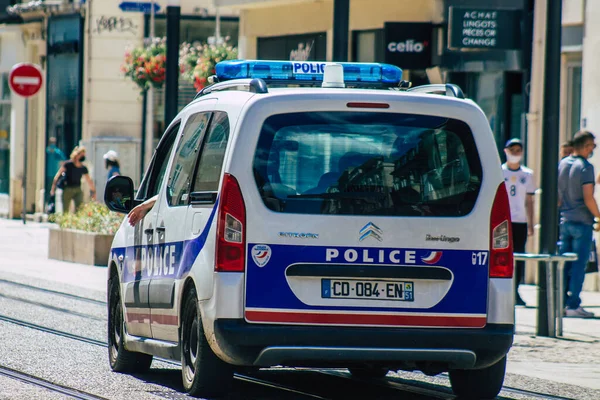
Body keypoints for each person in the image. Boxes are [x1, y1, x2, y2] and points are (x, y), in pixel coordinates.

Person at [558, 130, 598, 318]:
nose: (593, 149)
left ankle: (559, 302)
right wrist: (598, 216)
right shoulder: (586, 167)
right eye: (592, 146)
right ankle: (573, 304)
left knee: (563, 264)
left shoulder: (563, 164)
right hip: (582, 221)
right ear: (586, 145)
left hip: (564, 220)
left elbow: (557, 197)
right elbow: (588, 197)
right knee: (578, 266)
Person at [502, 138, 536, 307]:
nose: (515, 153)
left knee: (519, 256)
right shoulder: (499, 172)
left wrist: (531, 223)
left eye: (518, 150)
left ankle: (516, 290)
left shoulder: (527, 174)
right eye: (512, 149)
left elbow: (529, 200)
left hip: (520, 221)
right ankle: (503, 290)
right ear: (506, 151)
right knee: (502, 256)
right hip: (503, 222)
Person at [50, 146, 96, 213]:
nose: (83, 157)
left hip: (78, 189)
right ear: (77, 155)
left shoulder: (83, 168)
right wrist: (53, 188)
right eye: (81, 155)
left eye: (84, 155)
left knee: (79, 209)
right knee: (65, 211)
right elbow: (57, 176)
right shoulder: (68, 164)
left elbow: (89, 180)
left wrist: (93, 191)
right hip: (67, 189)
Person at [45, 137, 67, 208]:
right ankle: (52, 205)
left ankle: (48, 205)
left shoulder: (46, 151)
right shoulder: (58, 152)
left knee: (48, 191)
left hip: (47, 174)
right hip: (55, 173)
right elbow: (64, 162)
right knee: (54, 191)